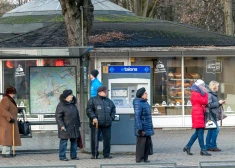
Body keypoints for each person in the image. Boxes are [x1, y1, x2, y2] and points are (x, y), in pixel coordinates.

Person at [86, 86, 116, 159]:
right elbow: (89, 110)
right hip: (96, 124)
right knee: (95, 139)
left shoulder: (109, 101)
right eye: (105, 91)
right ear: (99, 92)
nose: (106, 93)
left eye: (106, 91)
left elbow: (113, 110)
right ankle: (95, 154)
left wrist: (111, 118)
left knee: (107, 139)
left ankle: (106, 154)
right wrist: (93, 117)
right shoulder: (92, 100)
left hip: (107, 124)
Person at [183, 79, 211, 156]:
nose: (204, 87)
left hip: (198, 113)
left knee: (198, 133)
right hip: (198, 114)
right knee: (200, 133)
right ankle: (203, 149)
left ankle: (187, 147)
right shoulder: (196, 94)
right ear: (199, 86)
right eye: (203, 85)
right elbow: (204, 101)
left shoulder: (196, 93)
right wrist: (206, 94)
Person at [55, 89, 80, 161]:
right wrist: (61, 126)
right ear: (66, 96)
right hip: (65, 127)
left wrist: (78, 125)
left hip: (74, 126)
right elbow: (58, 117)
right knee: (64, 141)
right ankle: (62, 156)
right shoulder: (61, 105)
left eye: (72, 95)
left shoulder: (73, 104)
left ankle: (74, 156)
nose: (72, 96)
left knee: (74, 141)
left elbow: (77, 115)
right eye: (70, 95)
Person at [133, 87, 154, 163]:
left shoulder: (145, 102)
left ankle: (145, 158)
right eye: (145, 93)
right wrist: (139, 128)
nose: (147, 94)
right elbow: (137, 116)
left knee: (147, 143)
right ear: (141, 95)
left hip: (147, 126)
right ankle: (139, 159)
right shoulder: (138, 103)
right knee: (141, 144)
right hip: (142, 127)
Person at [0, 86, 21, 157]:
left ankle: (6, 152)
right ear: (10, 93)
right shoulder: (6, 99)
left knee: (9, 137)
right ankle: (6, 152)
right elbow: (4, 110)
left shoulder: (9, 99)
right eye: (13, 93)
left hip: (9, 122)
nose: (14, 95)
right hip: (7, 122)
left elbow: (11, 108)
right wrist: (10, 118)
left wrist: (18, 110)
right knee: (7, 137)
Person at [206, 81, 225, 152]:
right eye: (218, 86)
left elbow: (214, 105)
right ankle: (213, 146)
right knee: (216, 130)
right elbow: (209, 105)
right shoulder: (210, 94)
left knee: (211, 131)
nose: (218, 87)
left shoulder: (213, 94)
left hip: (213, 114)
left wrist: (220, 103)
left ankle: (208, 146)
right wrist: (218, 102)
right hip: (211, 115)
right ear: (214, 86)